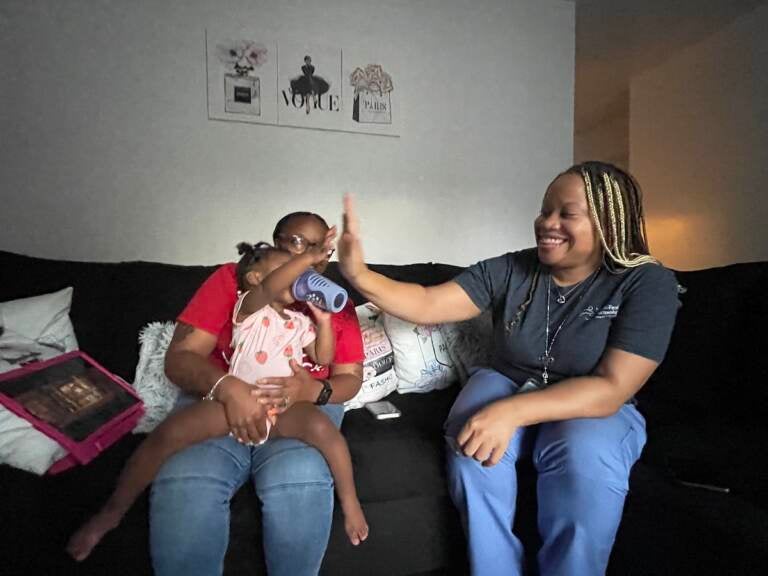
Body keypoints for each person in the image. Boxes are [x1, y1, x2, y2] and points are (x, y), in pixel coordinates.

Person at [337, 161, 679, 575]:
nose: (546, 222)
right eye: (544, 209)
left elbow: (612, 387)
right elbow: (428, 303)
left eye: (565, 213)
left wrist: (511, 412)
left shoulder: (645, 281)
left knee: (584, 456)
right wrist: (357, 273)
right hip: (510, 378)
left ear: (608, 223)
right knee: (472, 441)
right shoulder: (513, 268)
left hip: (591, 397)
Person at [66, 240, 368, 562]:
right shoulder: (249, 307)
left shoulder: (299, 322)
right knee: (170, 434)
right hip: (234, 402)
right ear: (255, 279)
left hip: (284, 406)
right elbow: (270, 288)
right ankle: (113, 511)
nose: (297, 276)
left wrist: (322, 322)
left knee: (326, 433)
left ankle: (351, 504)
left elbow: (323, 356)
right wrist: (306, 258)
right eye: (287, 270)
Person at [149, 212, 365, 576]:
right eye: (299, 243)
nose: (311, 255)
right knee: (186, 480)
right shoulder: (234, 282)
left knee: (300, 478)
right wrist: (228, 388)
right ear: (275, 243)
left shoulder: (330, 303)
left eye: (319, 249)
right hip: (219, 400)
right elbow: (181, 359)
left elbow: (349, 378)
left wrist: (311, 390)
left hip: (302, 408)